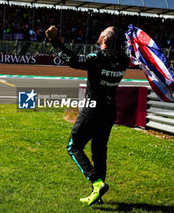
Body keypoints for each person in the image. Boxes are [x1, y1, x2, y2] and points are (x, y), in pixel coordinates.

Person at [45, 25, 129, 205]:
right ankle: (97, 194)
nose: (99, 33)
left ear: (105, 39)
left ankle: (97, 183)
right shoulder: (124, 59)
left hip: (93, 110)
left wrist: (54, 41)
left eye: (102, 32)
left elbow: (74, 61)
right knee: (99, 153)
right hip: (109, 111)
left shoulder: (98, 57)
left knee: (73, 146)